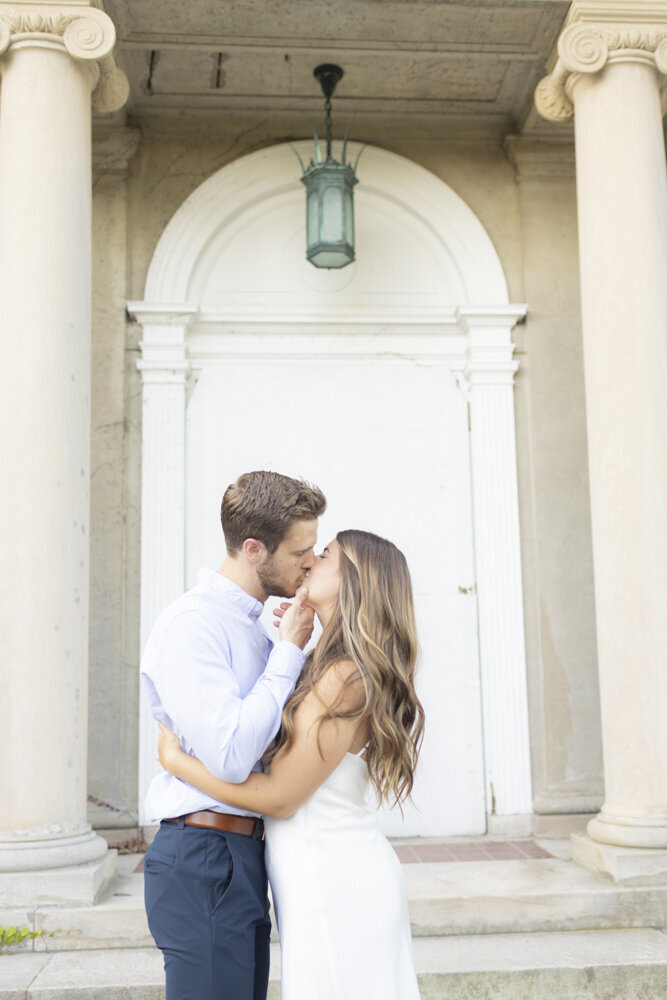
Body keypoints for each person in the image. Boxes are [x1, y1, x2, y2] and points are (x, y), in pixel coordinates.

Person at [158, 529, 425, 1000]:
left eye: (324, 556)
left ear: (355, 583)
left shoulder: (345, 676)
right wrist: (285, 642)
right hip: (316, 874)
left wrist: (178, 763)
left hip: (337, 877)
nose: (308, 563)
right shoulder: (325, 664)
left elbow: (280, 798)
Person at [141, 470, 327, 1000]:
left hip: (237, 854)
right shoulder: (193, 625)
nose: (309, 563)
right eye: (299, 552)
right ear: (253, 549)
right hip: (204, 852)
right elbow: (231, 755)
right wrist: (288, 653)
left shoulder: (252, 626)